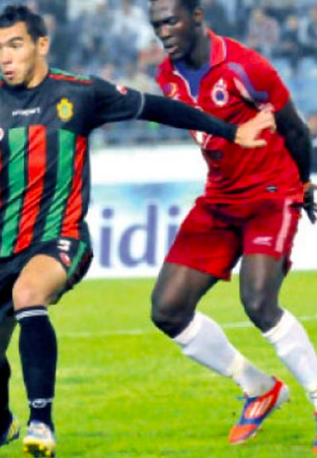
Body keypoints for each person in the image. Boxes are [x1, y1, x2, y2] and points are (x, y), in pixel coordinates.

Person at [0, 5, 274, 458]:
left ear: (41, 45)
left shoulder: (79, 94)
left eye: (15, 45)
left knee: (29, 296)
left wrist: (231, 131)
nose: (5, 57)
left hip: (62, 237)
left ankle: (41, 423)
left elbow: (157, 107)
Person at [148, 0, 317, 450]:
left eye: (171, 20)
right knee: (167, 310)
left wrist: (305, 185)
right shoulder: (166, 76)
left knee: (258, 301)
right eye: (157, 24)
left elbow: (295, 129)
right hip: (220, 199)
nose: (163, 31)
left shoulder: (246, 67)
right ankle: (258, 387)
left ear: (196, 16)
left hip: (271, 194)